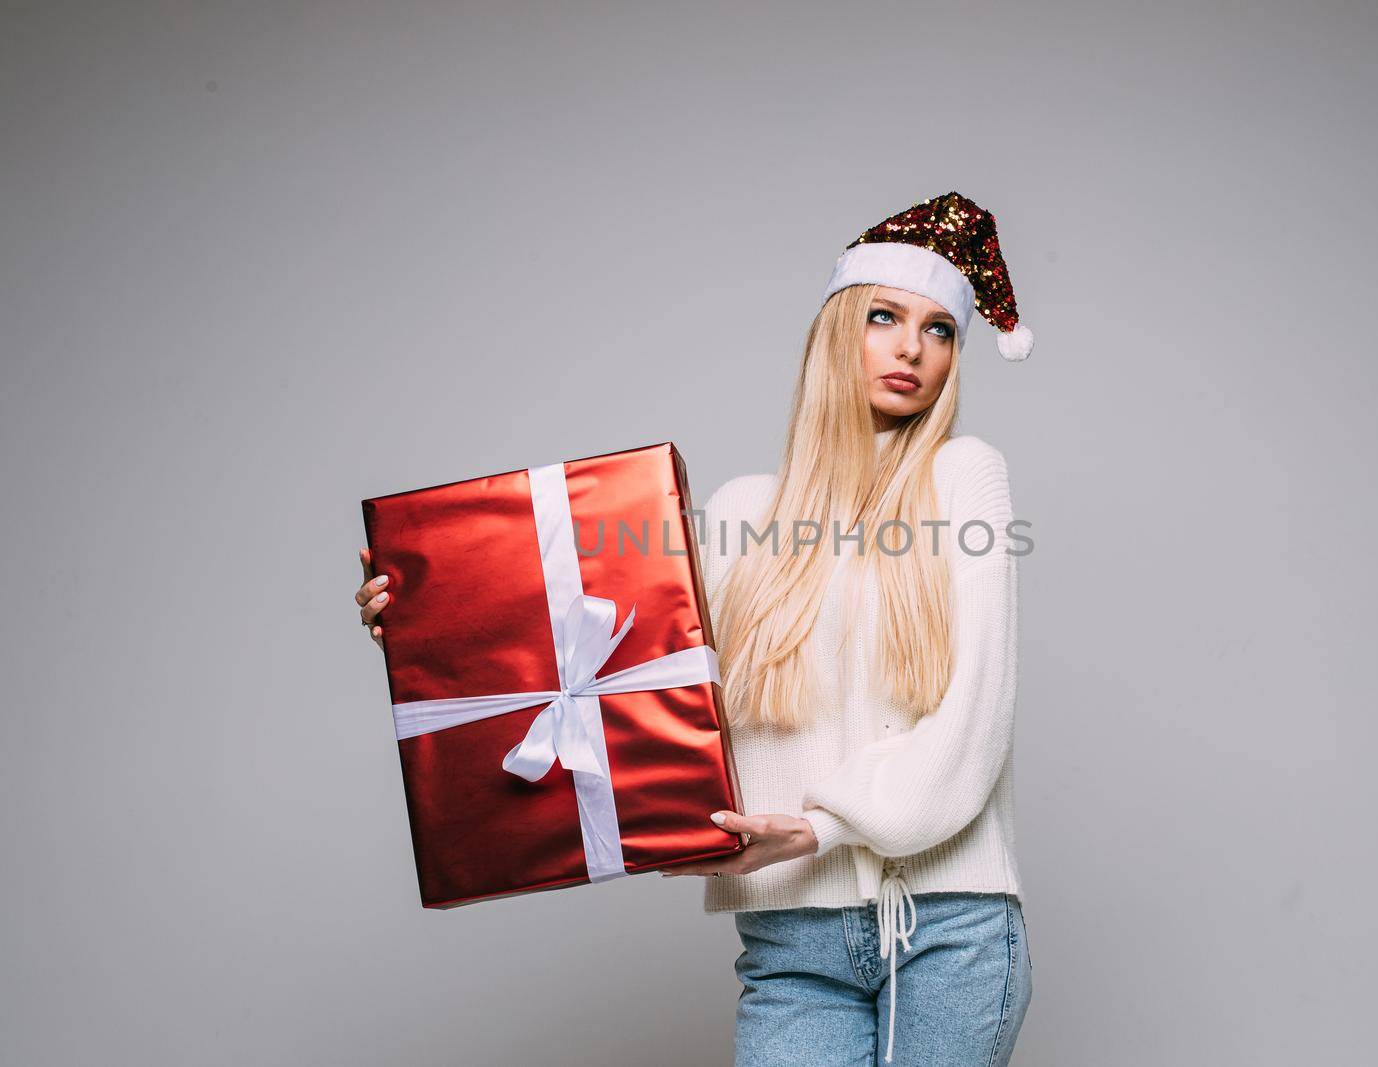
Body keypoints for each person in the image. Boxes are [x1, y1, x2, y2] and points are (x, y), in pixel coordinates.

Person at [356, 191, 1035, 1065]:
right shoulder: (743, 515)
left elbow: (971, 724)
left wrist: (820, 826)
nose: (911, 347)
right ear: (837, 332)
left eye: (940, 329)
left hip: (948, 930)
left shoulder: (966, 480)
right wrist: (428, 624)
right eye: (885, 316)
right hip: (793, 941)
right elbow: (612, 658)